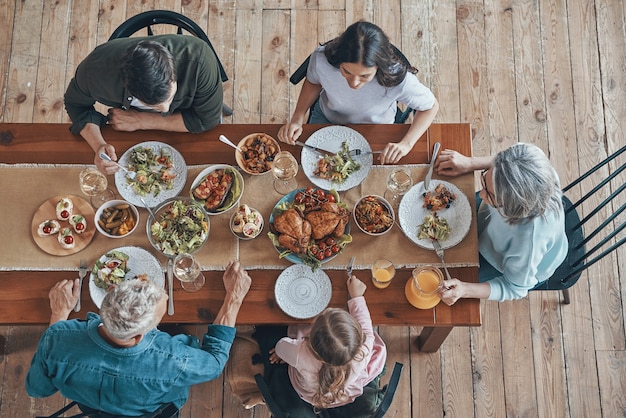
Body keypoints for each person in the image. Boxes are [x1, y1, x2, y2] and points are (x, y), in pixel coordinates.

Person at [25, 260, 251, 416]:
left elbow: (37, 390)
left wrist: (59, 314)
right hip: (154, 410)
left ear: (112, 289)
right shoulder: (173, 361)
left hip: (95, 406)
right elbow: (214, 364)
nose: (165, 293)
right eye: (160, 313)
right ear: (138, 337)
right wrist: (234, 296)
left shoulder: (55, 338)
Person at [277, 21, 439, 164]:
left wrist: (407, 144)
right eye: (346, 71)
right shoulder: (321, 59)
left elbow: (430, 107)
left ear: (379, 67)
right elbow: (313, 82)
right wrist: (297, 119)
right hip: (327, 117)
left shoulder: (400, 79)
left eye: (364, 76)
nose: (354, 83)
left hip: (376, 128)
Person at [64, 34, 224, 174]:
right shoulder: (94, 72)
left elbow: (207, 120)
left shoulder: (201, 60)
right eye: (154, 106)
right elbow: (75, 105)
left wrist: (142, 120)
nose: (165, 109)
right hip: (129, 138)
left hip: (186, 124)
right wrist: (98, 145)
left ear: (173, 75)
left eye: (169, 98)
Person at [434, 142, 569, 303]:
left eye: (490, 195)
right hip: (492, 225)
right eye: (484, 180)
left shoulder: (528, 241)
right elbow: (506, 160)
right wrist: (470, 163)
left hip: (508, 261)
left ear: (512, 209)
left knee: (443, 275)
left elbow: (515, 288)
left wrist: (464, 289)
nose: (481, 194)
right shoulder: (531, 159)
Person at [269, 275, 386, 409]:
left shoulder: (301, 352)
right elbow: (365, 326)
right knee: (377, 349)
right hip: (344, 391)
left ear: (310, 338)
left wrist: (284, 353)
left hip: (310, 393)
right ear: (357, 337)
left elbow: (280, 347)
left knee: (298, 329)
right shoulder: (363, 349)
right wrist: (357, 297)